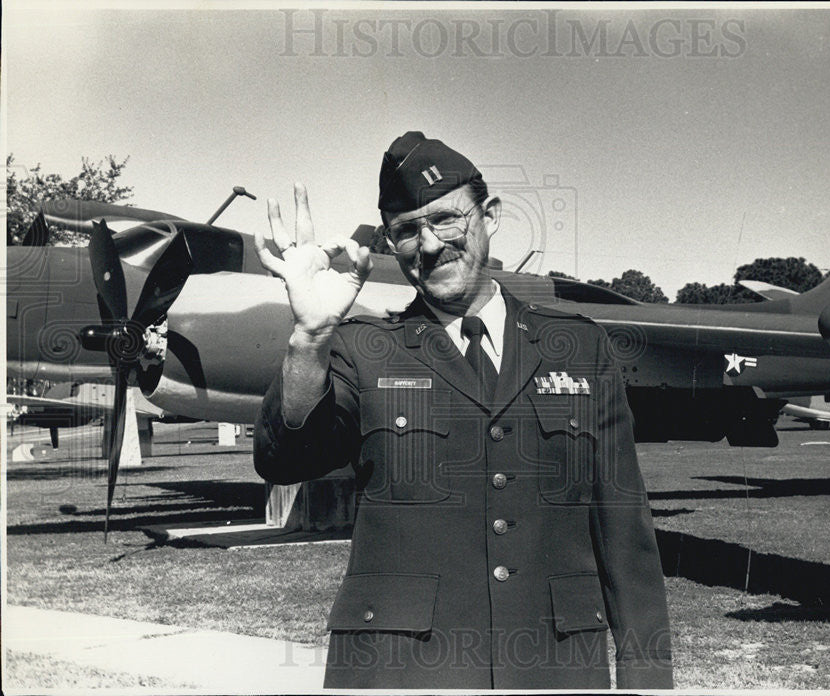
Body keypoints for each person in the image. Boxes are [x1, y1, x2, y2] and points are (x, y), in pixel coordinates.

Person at [253, 132, 672, 689]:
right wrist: (310, 336)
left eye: (447, 220)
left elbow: (624, 528)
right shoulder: (364, 349)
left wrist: (647, 676)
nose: (428, 245)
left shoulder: (581, 349)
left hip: (553, 665)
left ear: (490, 214)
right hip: (402, 670)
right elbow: (284, 460)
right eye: (406, 231)